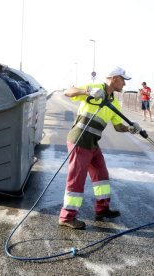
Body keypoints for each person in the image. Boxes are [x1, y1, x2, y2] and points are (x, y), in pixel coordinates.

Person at [59, 66, 142, 230]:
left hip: (92, 143)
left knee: (101, 175)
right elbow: (68, 91)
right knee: (77, 179)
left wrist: (131, 128)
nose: (124, 84)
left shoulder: (114, 102)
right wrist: (88, 91)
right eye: (123, 80)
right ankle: (67, 217)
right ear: (115, 78)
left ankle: (102, 210)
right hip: (79, 139)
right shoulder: (96, 88)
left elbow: (118, 127)